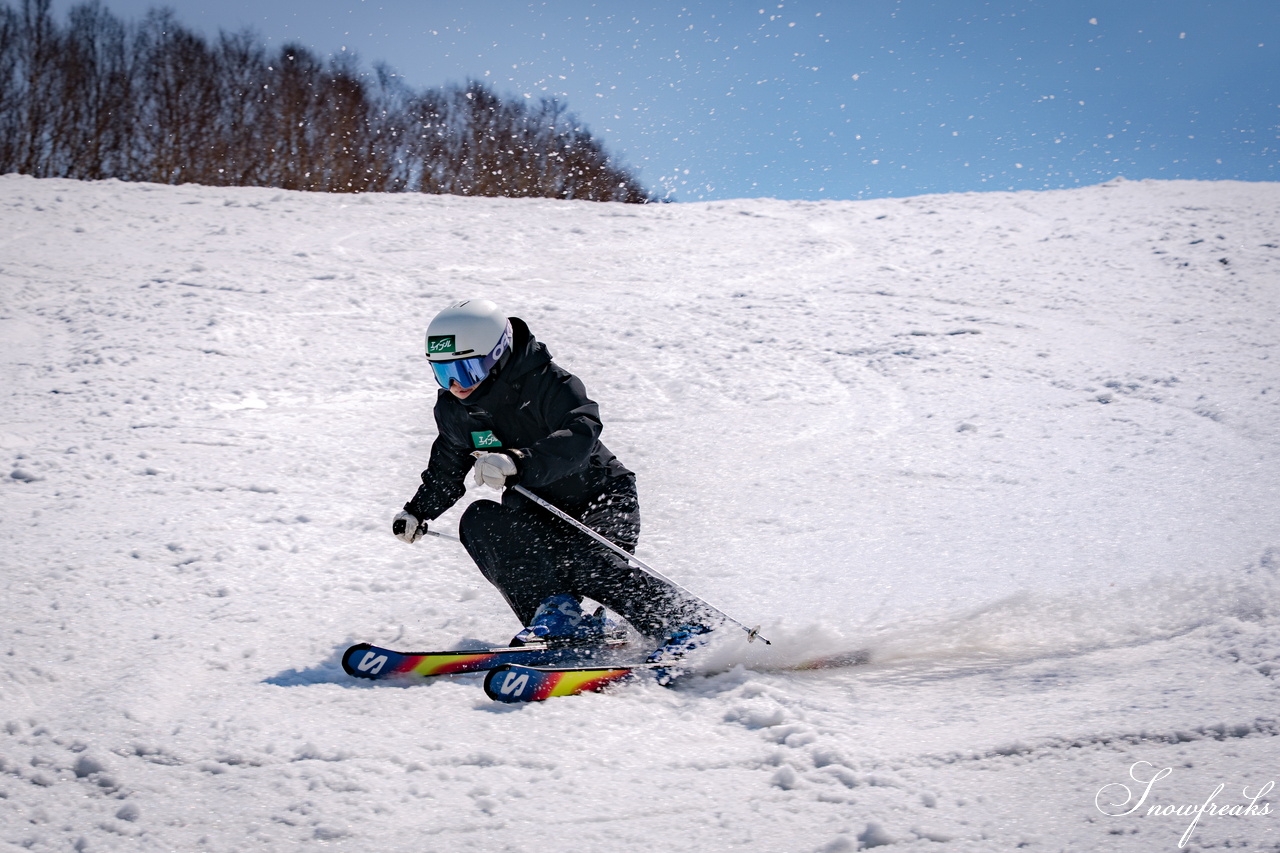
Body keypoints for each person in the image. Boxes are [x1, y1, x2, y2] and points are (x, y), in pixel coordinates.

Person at [392, 298, 714, 654]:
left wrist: (519, 461)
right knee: (479, 521)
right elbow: (448, 462)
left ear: (498, 354)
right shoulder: (456, 409)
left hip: (599, 497)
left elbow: (582, 430)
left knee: (588, 563)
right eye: (442, 372)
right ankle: (559, 621)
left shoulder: (547, 383)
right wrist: (419, 511)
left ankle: (684, 624)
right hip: (535, 508)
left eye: (466, 371)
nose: (455, 385)